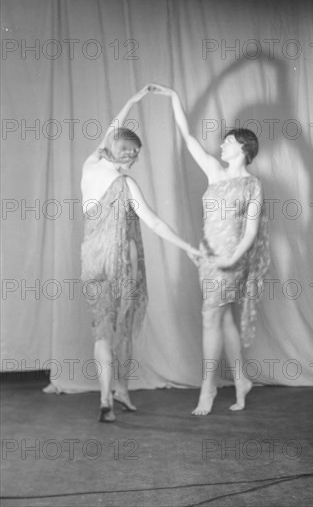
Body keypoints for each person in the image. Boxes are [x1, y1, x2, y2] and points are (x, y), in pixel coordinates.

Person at [80, 85, 200, 422]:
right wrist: (189, 247)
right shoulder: (121, 182)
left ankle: (113, 393)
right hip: (115, 261)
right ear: (113, 148)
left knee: (106, 327)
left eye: (136, 153)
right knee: (118, 324)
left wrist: (132, 101)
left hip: (95, 259)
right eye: (127, 150)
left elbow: (154, 223)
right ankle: (114, 392)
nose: (131, 157)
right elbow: (156, 223)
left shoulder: (95, 168)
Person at [149, 84, 270, 415]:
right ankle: (242, 380)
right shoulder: (213, 172)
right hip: (207, 255)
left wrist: (232, 257)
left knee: (209, 318)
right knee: (224, 319)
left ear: (244, 148)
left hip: (230, 258)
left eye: (228, 141)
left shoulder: (253, 184)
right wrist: (175, 96)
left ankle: (208, 387)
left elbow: (252, 230)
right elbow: (187, 137)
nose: (221, 145)